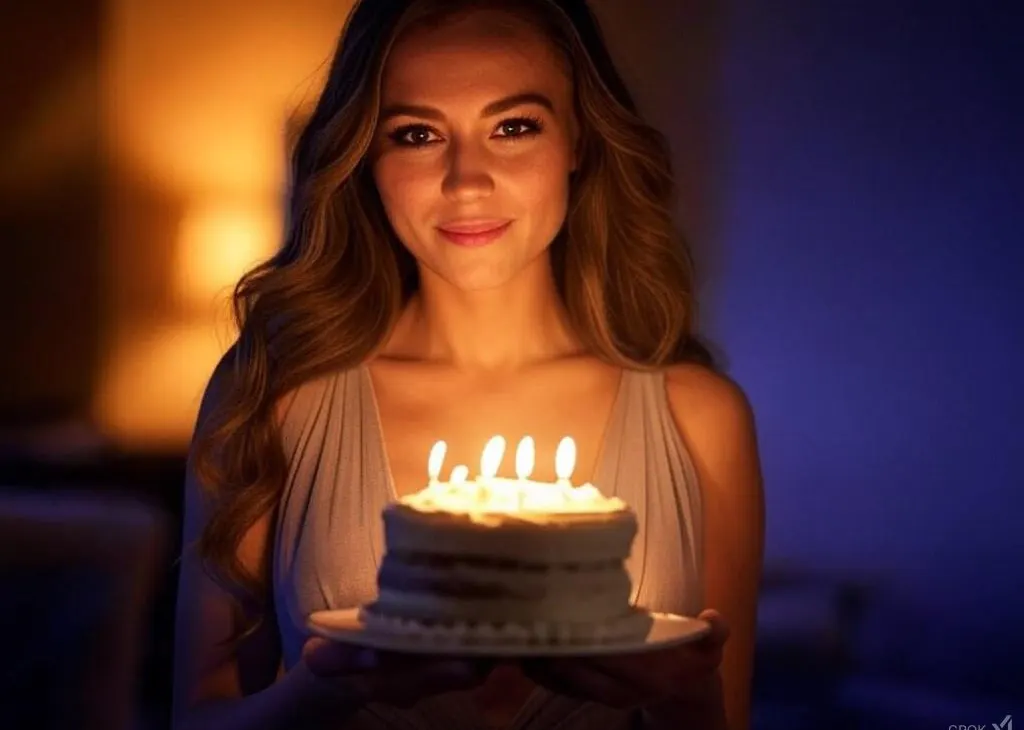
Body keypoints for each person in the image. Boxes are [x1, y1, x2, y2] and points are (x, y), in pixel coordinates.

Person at [172, 0, 765, 728]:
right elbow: (195, 717)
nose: (467, 180)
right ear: (366, 156)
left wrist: (680, 694)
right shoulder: (275, 393)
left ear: (578, 138)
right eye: (418, 134)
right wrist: (330, 688)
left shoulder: (700, 418)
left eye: (514, 127)